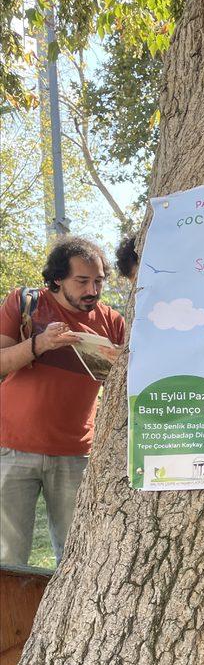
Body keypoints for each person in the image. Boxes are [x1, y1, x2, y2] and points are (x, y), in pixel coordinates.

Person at [0, 236, 125, 566]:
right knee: (8, 557)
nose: (92, 290)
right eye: (82, 281)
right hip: (12, 448)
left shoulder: (112, 321)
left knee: (74, 559)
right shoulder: (24, 303)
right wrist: (40, 344)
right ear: (57, 279)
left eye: (98, 281)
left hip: (76, 454)